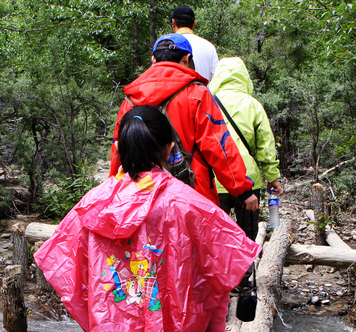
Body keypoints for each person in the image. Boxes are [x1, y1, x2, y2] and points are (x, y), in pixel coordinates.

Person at [36, 105, 261, 332]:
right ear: (170, 148)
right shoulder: (189, 206)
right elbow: (220, 278)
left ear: (121, 150)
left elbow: (66, 275)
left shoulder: (93, 204)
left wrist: (102, 328)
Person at [109, 33, 257, 213]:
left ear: (153, 59)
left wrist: (113, 192)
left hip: (141, 196)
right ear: (186, 59)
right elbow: (218, 146)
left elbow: (118, 151)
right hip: (193, 196)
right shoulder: (197, 94)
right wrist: (242, 190)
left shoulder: (130, 100)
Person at [208, 57, 282, 243]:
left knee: (215, 237)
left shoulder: (208, 103)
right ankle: (247, 272)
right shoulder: (253, 105)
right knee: (247, 237)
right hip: (247, 181)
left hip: (215, 179)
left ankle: (220, 272)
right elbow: (266, 145)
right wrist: (272, 177)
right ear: (245, 78)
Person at [171, 5, 219, 81]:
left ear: (173, 23)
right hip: (203, 92)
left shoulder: (167, 45)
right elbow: (217, 77)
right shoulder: (209, 47)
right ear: (193, 24)